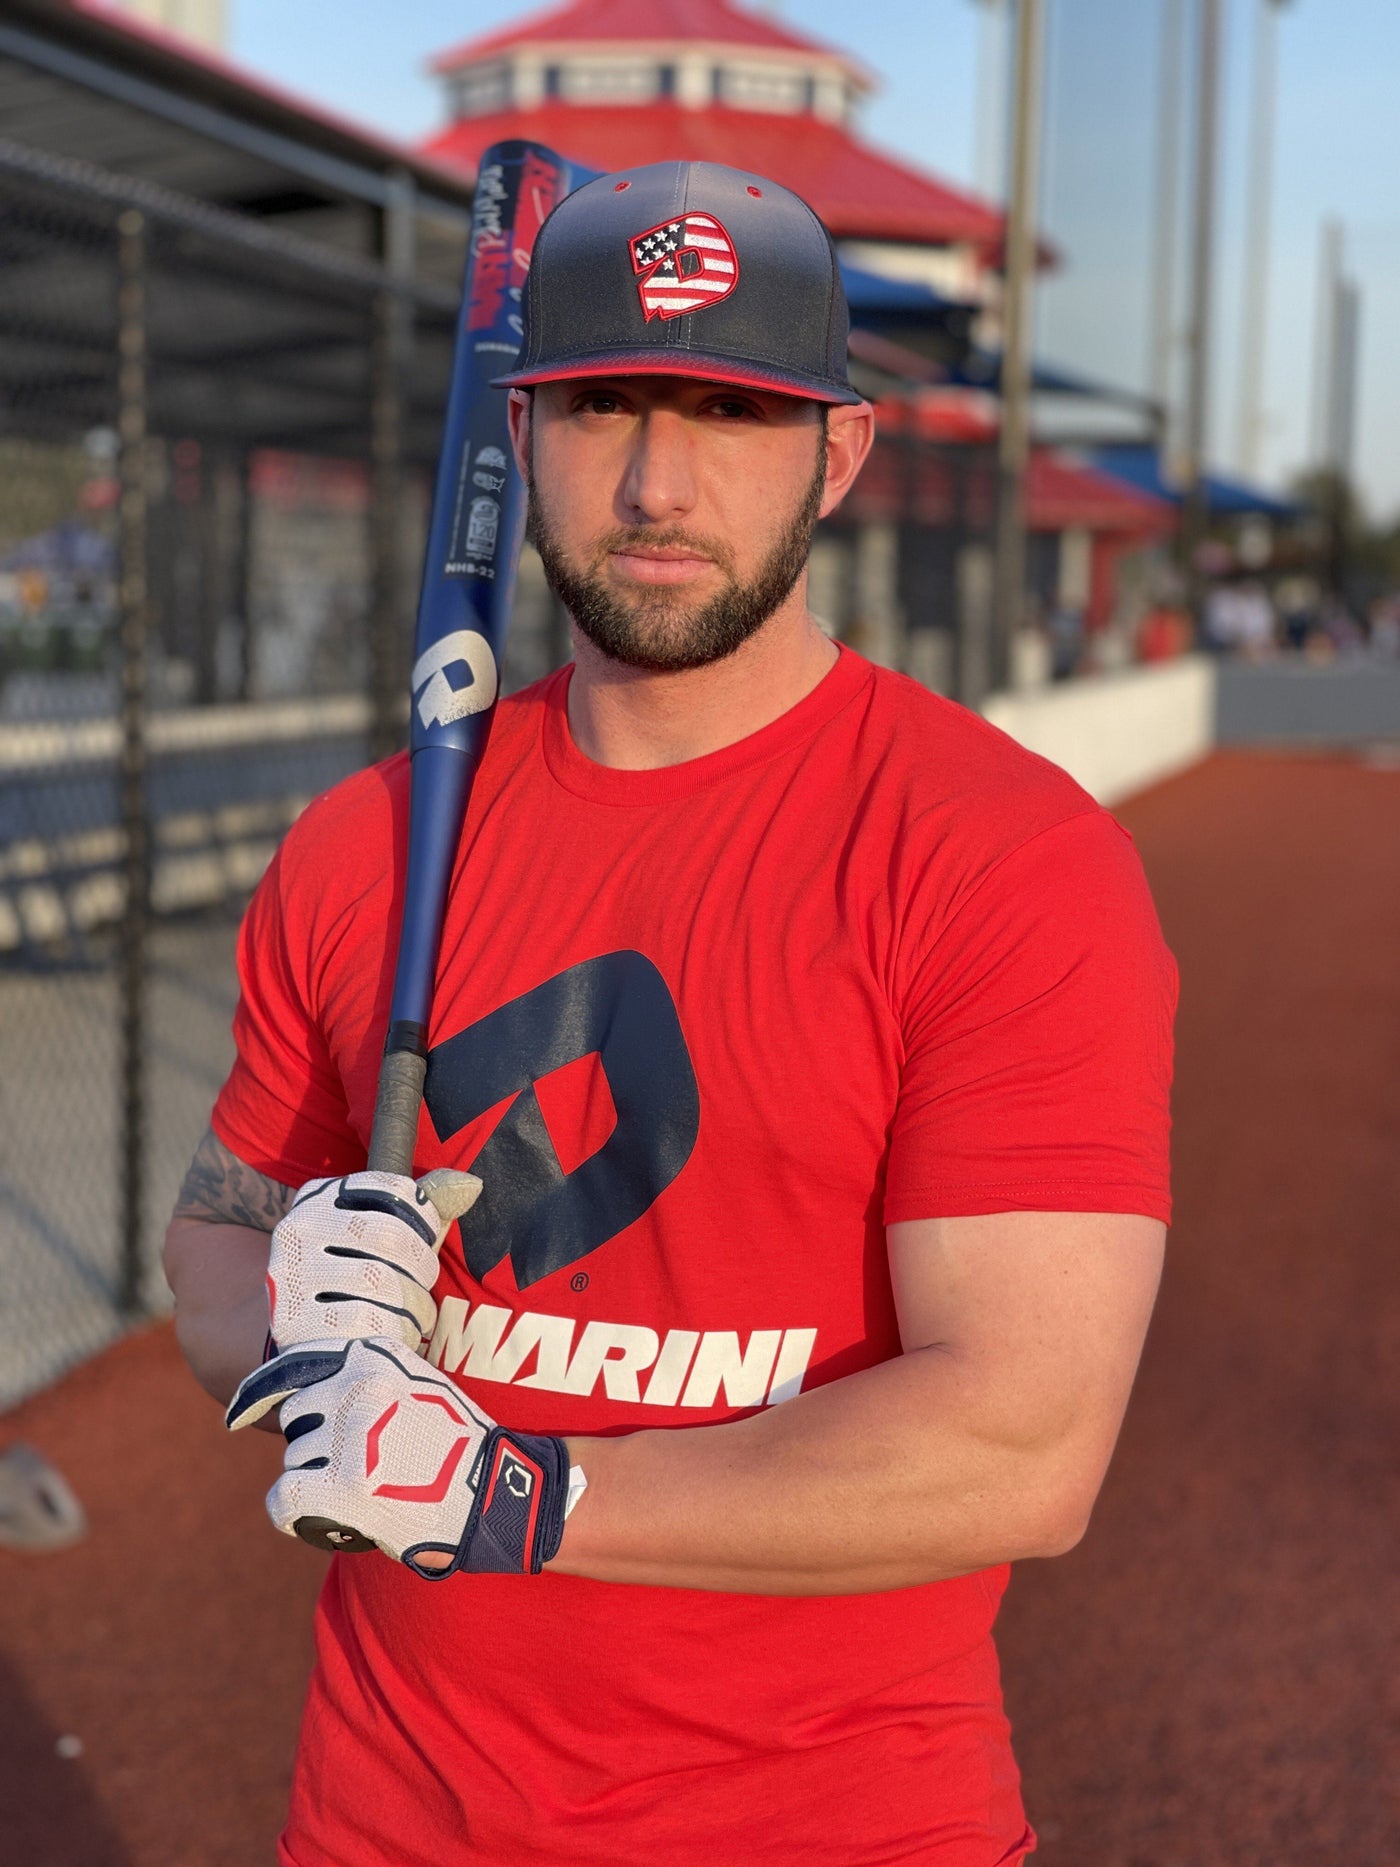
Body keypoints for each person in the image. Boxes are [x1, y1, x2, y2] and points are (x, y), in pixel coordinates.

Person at [165, 161, 1175, 1867]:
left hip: (842, 1830)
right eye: (604, 405)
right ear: (520, 432)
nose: (657, 480)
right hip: (386, 1821)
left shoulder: (998, 861)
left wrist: (513, 1492)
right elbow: (213, 1240)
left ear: (838, 455)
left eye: (731, 410)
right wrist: (292, 1315)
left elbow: (1023, 1442)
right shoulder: (366, 849)